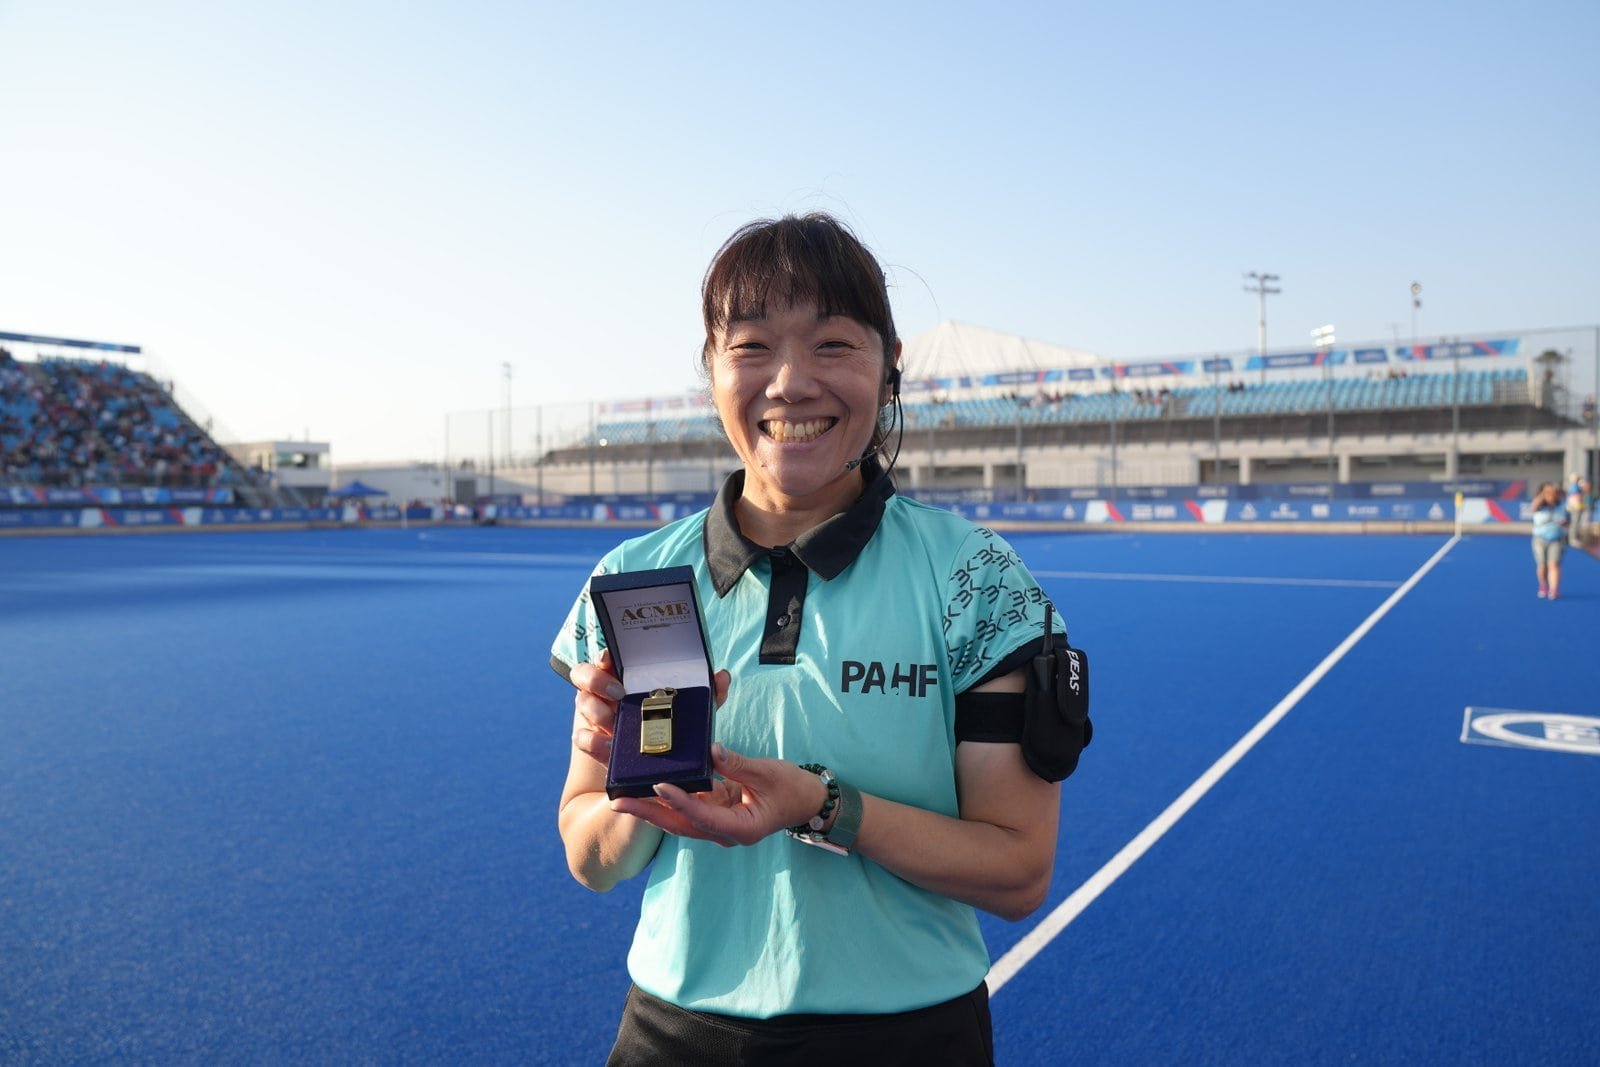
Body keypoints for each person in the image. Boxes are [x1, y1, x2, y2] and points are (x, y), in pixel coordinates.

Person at [551, 214, 1079, 1065]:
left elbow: (1019, 871)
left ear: (889, 363)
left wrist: (824, 805)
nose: (791, 383)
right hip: (674, 1034)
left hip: (910, 1039)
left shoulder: (975, 578)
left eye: (833, 343)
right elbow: (593, 859)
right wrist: (634, 784)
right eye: (752, 346)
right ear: (712, 369)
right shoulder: (637, 578)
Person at [1531, 481, 1567, 599]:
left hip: (1556, 538)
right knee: (1542, 566)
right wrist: (1544, 494)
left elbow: (1568, 518)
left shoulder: (1560, 504)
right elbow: (1534, 506)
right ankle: (1543, 584)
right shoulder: (1539, 505)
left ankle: (1554, 589)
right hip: (1540, 539)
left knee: (1554, 564)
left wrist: (1565, 522)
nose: (1551, 494)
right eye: (1548, 492)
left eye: (1553, 492)